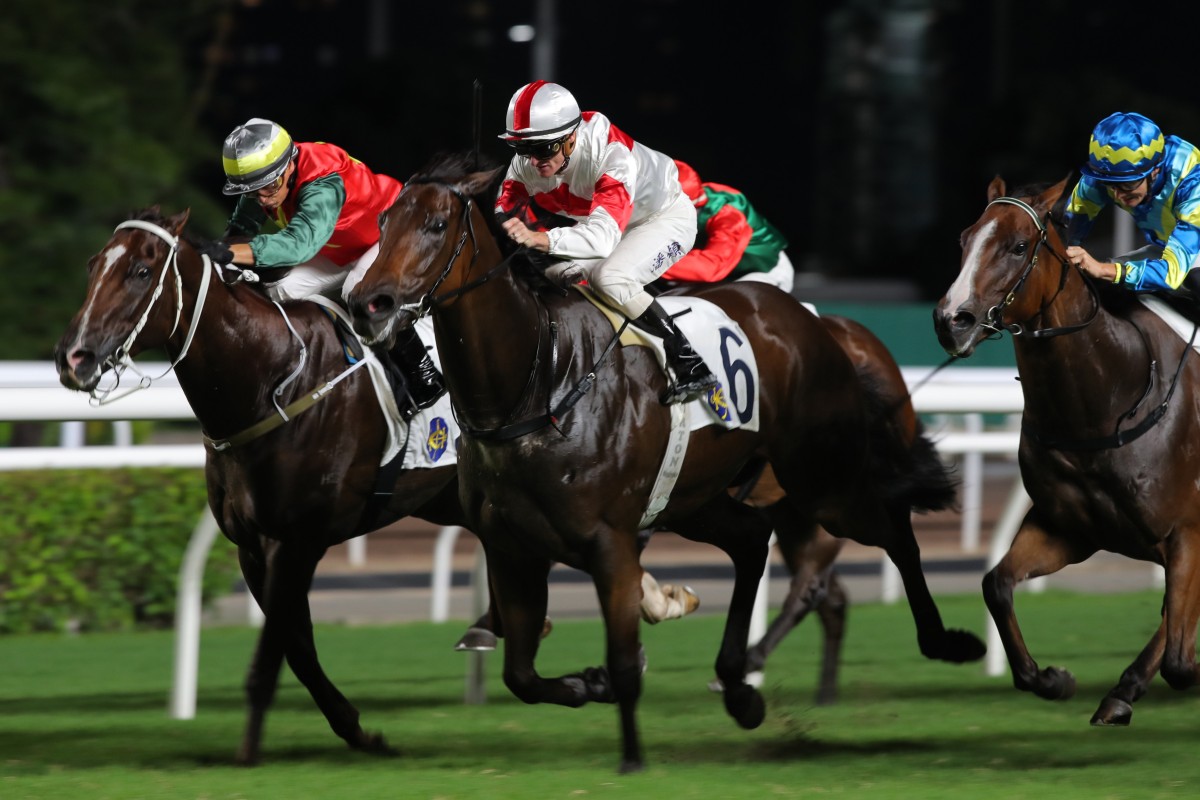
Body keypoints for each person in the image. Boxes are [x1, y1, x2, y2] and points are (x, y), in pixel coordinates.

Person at [199, 117, 443, 417]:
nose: (263, 197)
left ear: (289, 165)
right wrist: (220, 253)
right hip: (341, 244)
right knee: (282, 290)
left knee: (358, 291)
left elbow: (299, 245)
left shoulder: (322, 180)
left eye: (269, 185)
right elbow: (242, 227)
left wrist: (231, 252)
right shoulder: (264, 178)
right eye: (252, 191)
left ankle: (423, 376)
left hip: (390, 234)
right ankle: (312, 372)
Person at [494, 81, 718, 405]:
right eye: (524, 150)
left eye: (544, 150)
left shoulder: (612, 155)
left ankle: (689, 361)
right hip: (609, 223)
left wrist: (538, 238)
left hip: (663, 219)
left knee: (609, 279)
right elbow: (504, 205)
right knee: (555, 274)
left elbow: (602, 239)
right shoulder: (534, 158)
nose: (533, 162)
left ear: (571, 138)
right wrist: (509, 225)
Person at [1062, 111, 1200, 300]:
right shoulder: (1105, 175)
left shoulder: (1191, 181)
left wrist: (1102, 269)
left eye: (1128, 184)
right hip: (1167, 248)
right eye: (1110, 186)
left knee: (1194, 278)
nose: (1118, 195)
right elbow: (1068, 226)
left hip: (1187, 253)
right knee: (1094, 281)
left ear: (1155, 171)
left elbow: (1171, 274)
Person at [659, 160, 795, 293]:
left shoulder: (729, 216)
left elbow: (710, 268)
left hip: (762, 271)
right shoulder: (688, 197)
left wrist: (648, 263)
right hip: (716, 274)